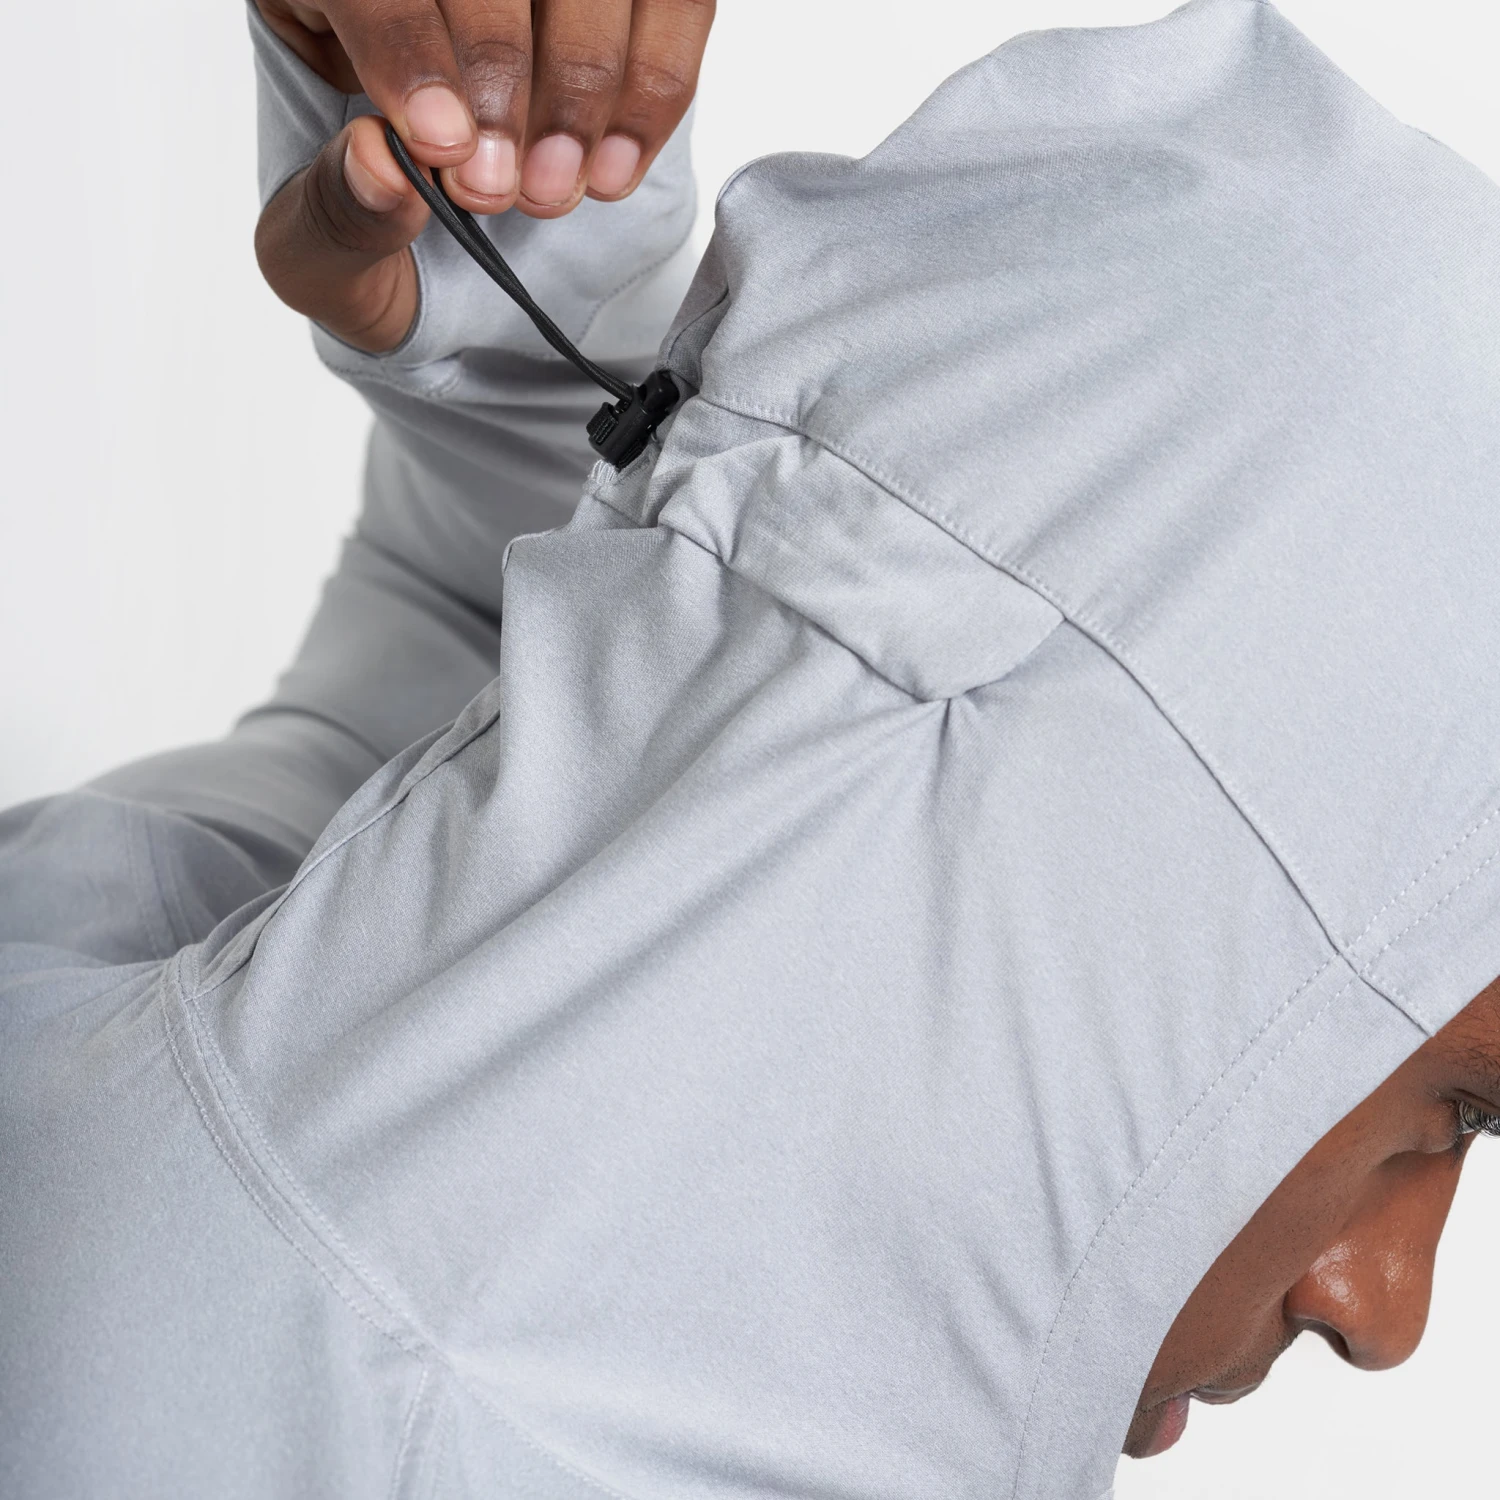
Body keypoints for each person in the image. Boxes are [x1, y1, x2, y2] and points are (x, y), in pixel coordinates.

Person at [4, 0, 1500, 1496]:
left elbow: (531, 770)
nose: (1382, 1311)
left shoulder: (107, 1012)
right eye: (1452, 1110)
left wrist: (533, 257)